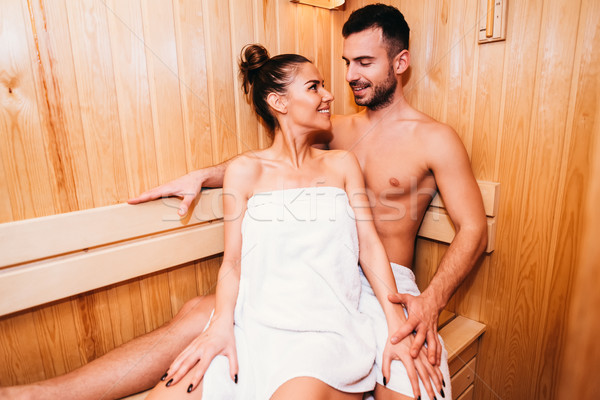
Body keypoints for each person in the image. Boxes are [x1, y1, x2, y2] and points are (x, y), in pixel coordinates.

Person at [0, 4, 485, 400]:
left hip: (388, 289)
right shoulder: (336, 126)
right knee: (196, 313)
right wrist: (205, 176)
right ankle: (45, 393)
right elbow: (277, 162)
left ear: (399, 63)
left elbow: (472, 229)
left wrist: (430, 302)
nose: (350, 78)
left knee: (413, 380)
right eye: (345, 64)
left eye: (365, 63)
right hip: (310, 274)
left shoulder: (434, 139)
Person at [144, 42, 444, 400]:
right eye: (314, 86)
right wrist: (220, 326)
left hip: (324, 330)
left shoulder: (341, 164)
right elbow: (233, 263)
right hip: (257, 325)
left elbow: (369, 246)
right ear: (279, 103)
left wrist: (394, 324)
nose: (329, 95)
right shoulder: (244, 172)